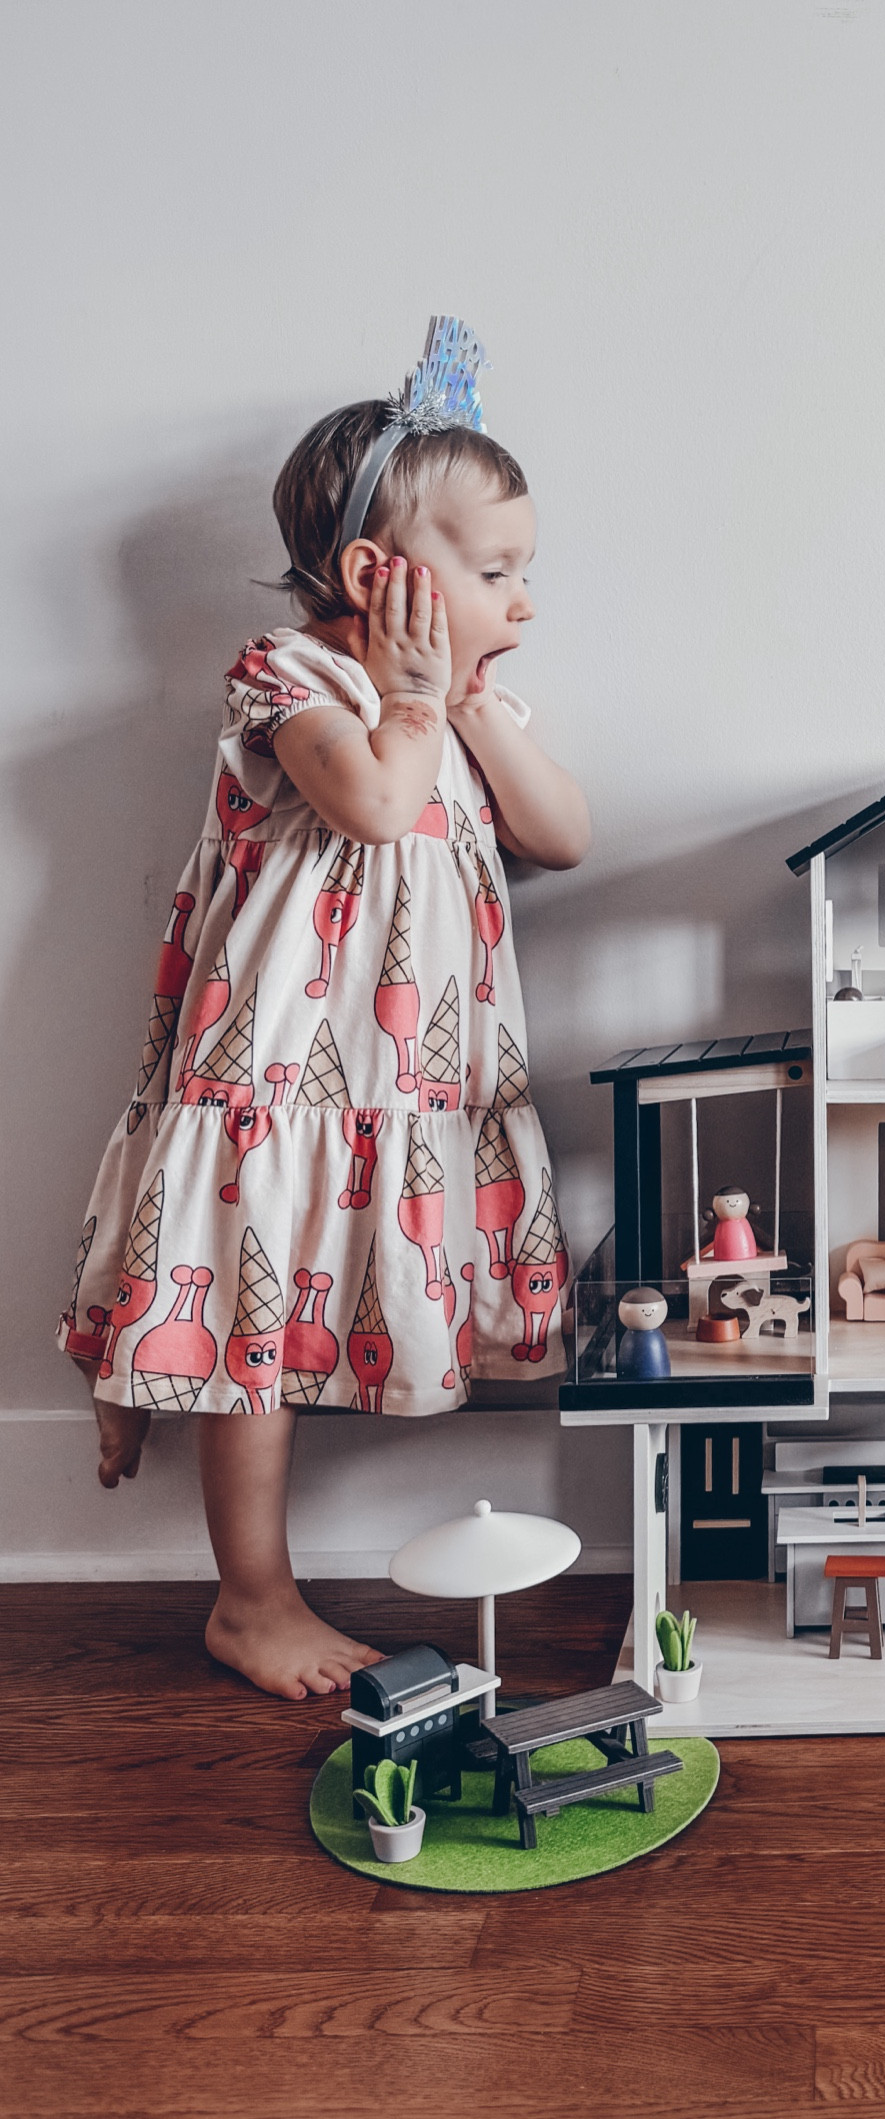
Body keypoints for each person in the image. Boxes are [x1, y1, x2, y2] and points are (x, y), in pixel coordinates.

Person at [57, 320, 589, 1700]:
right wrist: (413, 701)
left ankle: (137, 1388)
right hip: (284, 1078)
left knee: (293, 1321)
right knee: (246, 1329)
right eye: (494, 571)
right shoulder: (296, 681)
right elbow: (370, 802)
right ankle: (252, 1598)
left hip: (403, 1091)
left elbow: (564, 836)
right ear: (375, 575)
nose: (523, 600)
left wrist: (470, 711)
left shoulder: (464, 708)